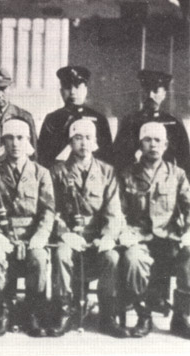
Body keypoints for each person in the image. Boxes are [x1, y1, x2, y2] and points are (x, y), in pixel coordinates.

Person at [49, 119, 127, 338]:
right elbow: (50, 209)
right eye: (78, 138)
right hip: (70, 237)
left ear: (95, 142)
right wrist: (65, 233)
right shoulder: (57, 171)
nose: (83, 143)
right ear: (70, 142)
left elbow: (114, 211)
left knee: (111, 257)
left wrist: (108, 237)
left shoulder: (107, 172)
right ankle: (64, 311)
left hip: (97, 238)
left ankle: (107, 315)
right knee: (62, 254)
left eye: (88, 138)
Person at [0, 118, 54, 338]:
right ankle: (1, 312)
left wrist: (40, 235)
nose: (15, 143)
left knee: (39, 258)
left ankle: (32, 312)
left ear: (28, 140)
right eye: (9, 138)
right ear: (3, 141)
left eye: (20, 137)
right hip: (4, 235)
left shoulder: (41, 173)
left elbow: (48, 210)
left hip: (32, 237)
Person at [119, 122, 190, 339]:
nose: (153, 145)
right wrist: (125, 233)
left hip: (169, 237)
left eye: (158, 140)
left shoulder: (177, 175)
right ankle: (144, 314)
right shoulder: (127, 174)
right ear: (140, 144)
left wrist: (188, 231)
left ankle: (181, 315)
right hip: (139, 238)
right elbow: (117, 211)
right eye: (148, 140)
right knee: (133, 260)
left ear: (166, 144)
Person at [113, 70, 190, 175]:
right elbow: (118, 157)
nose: (150, 95)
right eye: (146, 90)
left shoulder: (173, 123)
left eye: (155, 91)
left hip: (166, 180)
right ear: (141, 93)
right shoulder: (130, 121)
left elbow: (185, 159)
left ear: (164, 94)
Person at [37, 66, 113, 169]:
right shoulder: (53, 119)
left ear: (85, 90)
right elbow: (43, 156)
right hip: (60, 175)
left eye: (77, 87)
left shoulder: (99, 119)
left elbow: (107, 155)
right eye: (68, 87)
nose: (72, 92)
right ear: (61, 91)